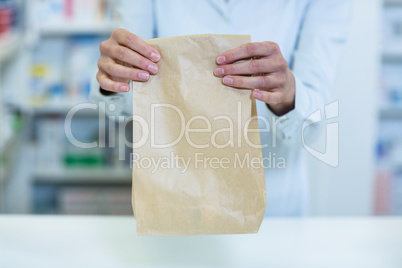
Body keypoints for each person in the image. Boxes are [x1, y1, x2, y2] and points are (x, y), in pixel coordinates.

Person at [90, 0, 352, 216]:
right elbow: (125, 101)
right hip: (175, 200)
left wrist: (287, 93)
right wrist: (114, 79)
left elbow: (312, 129)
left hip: (274, 209)